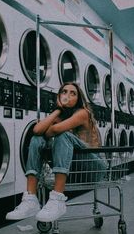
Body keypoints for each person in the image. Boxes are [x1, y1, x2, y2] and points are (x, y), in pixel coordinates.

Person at [6, 82, 102, 222]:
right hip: (73, 171)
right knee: (36, 139)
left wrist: (50, 130)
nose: (67, 95)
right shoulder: (61, 116)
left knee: (62, 135)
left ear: (79, 99)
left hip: (93, 169)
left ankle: (57, 198)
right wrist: (57, 111)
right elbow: (37, 130)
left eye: (72, 93)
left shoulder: (82, 113)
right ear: (59, 96)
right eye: (64, 92)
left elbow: (56, 130)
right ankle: (31, 198)